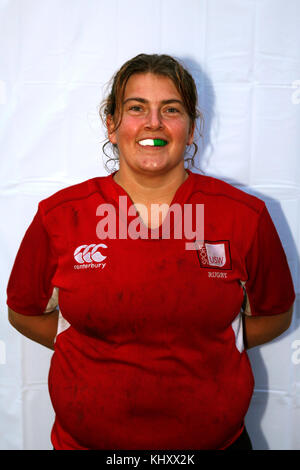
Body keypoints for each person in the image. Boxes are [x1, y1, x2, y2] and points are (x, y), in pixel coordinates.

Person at [7, 53, 295, 450]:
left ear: (192, 129)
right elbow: (23, 312)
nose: (154, 123)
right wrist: (96, 348)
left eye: (171, 109)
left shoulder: (244, 216)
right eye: (136, 108)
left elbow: (276, 314)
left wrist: (199, 343)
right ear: (112, 124)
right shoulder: (60, 216)